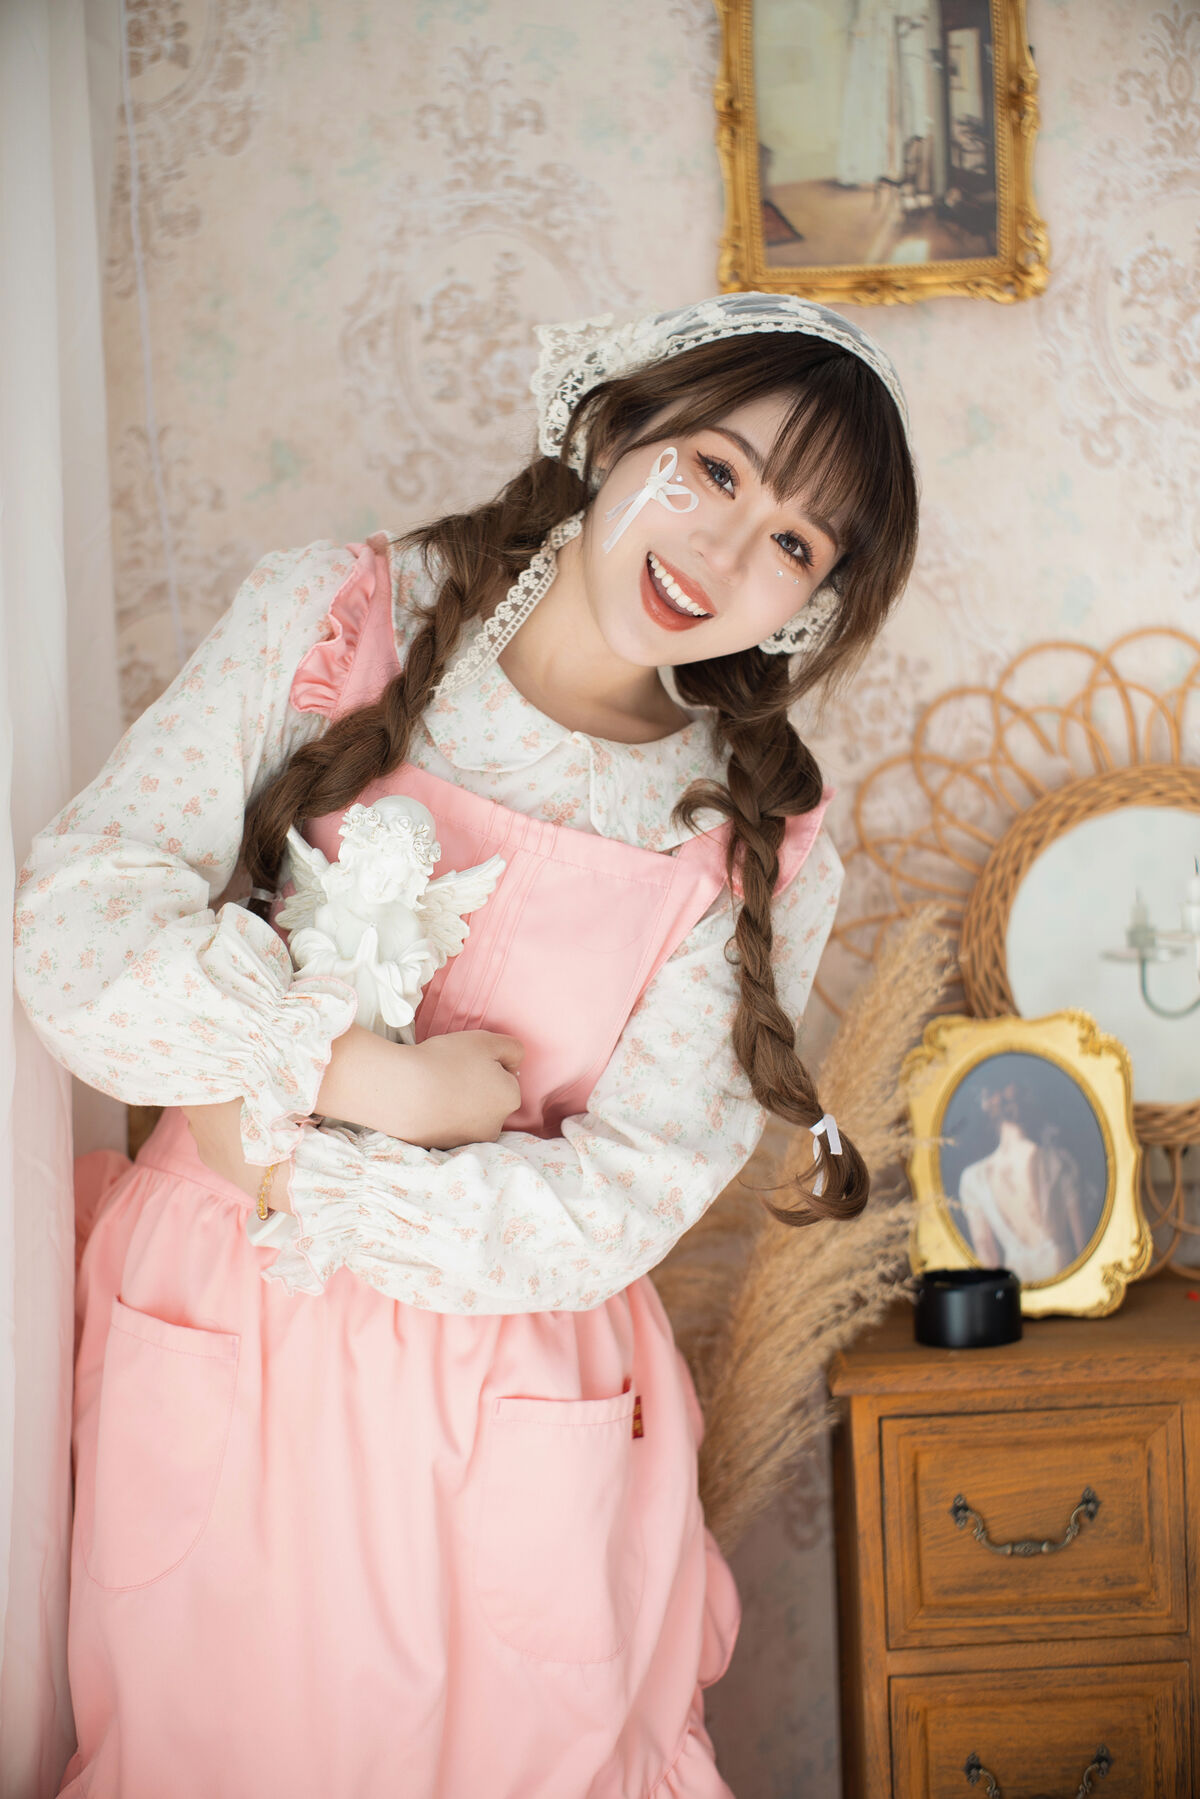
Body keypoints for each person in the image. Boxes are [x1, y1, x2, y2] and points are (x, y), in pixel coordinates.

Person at [14, 293, 917, 1798]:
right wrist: (358, 1080)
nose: (721, 548)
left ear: (810, 606)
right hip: (222, 1329)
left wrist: (295, 1158)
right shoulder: (334, 620)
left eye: (794, 542)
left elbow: (631, 1183)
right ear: (616, 426)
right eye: (714, 467)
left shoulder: (755, 836)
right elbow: (80, 925)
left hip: (511, 1391)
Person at [955, 1071, 1096, 1284]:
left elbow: (986, 1253)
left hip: (1015, 1286)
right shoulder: (1059, 1161)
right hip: (1063, 1277)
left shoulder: (973, 1179)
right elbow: (1084, 1248)